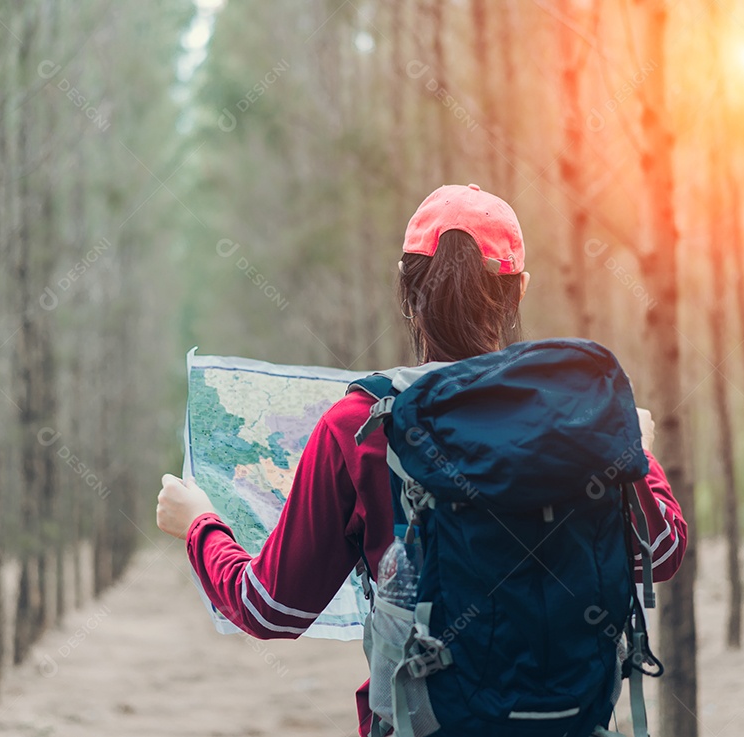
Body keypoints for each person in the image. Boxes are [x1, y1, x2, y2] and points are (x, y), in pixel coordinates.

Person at [156, 183, 688, 736]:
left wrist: (200, 524)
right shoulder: (581, 417)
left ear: (407, 288)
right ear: (519, 289)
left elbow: (271, 608)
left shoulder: (360, 425)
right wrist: (638, 454)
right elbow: (662, 553)